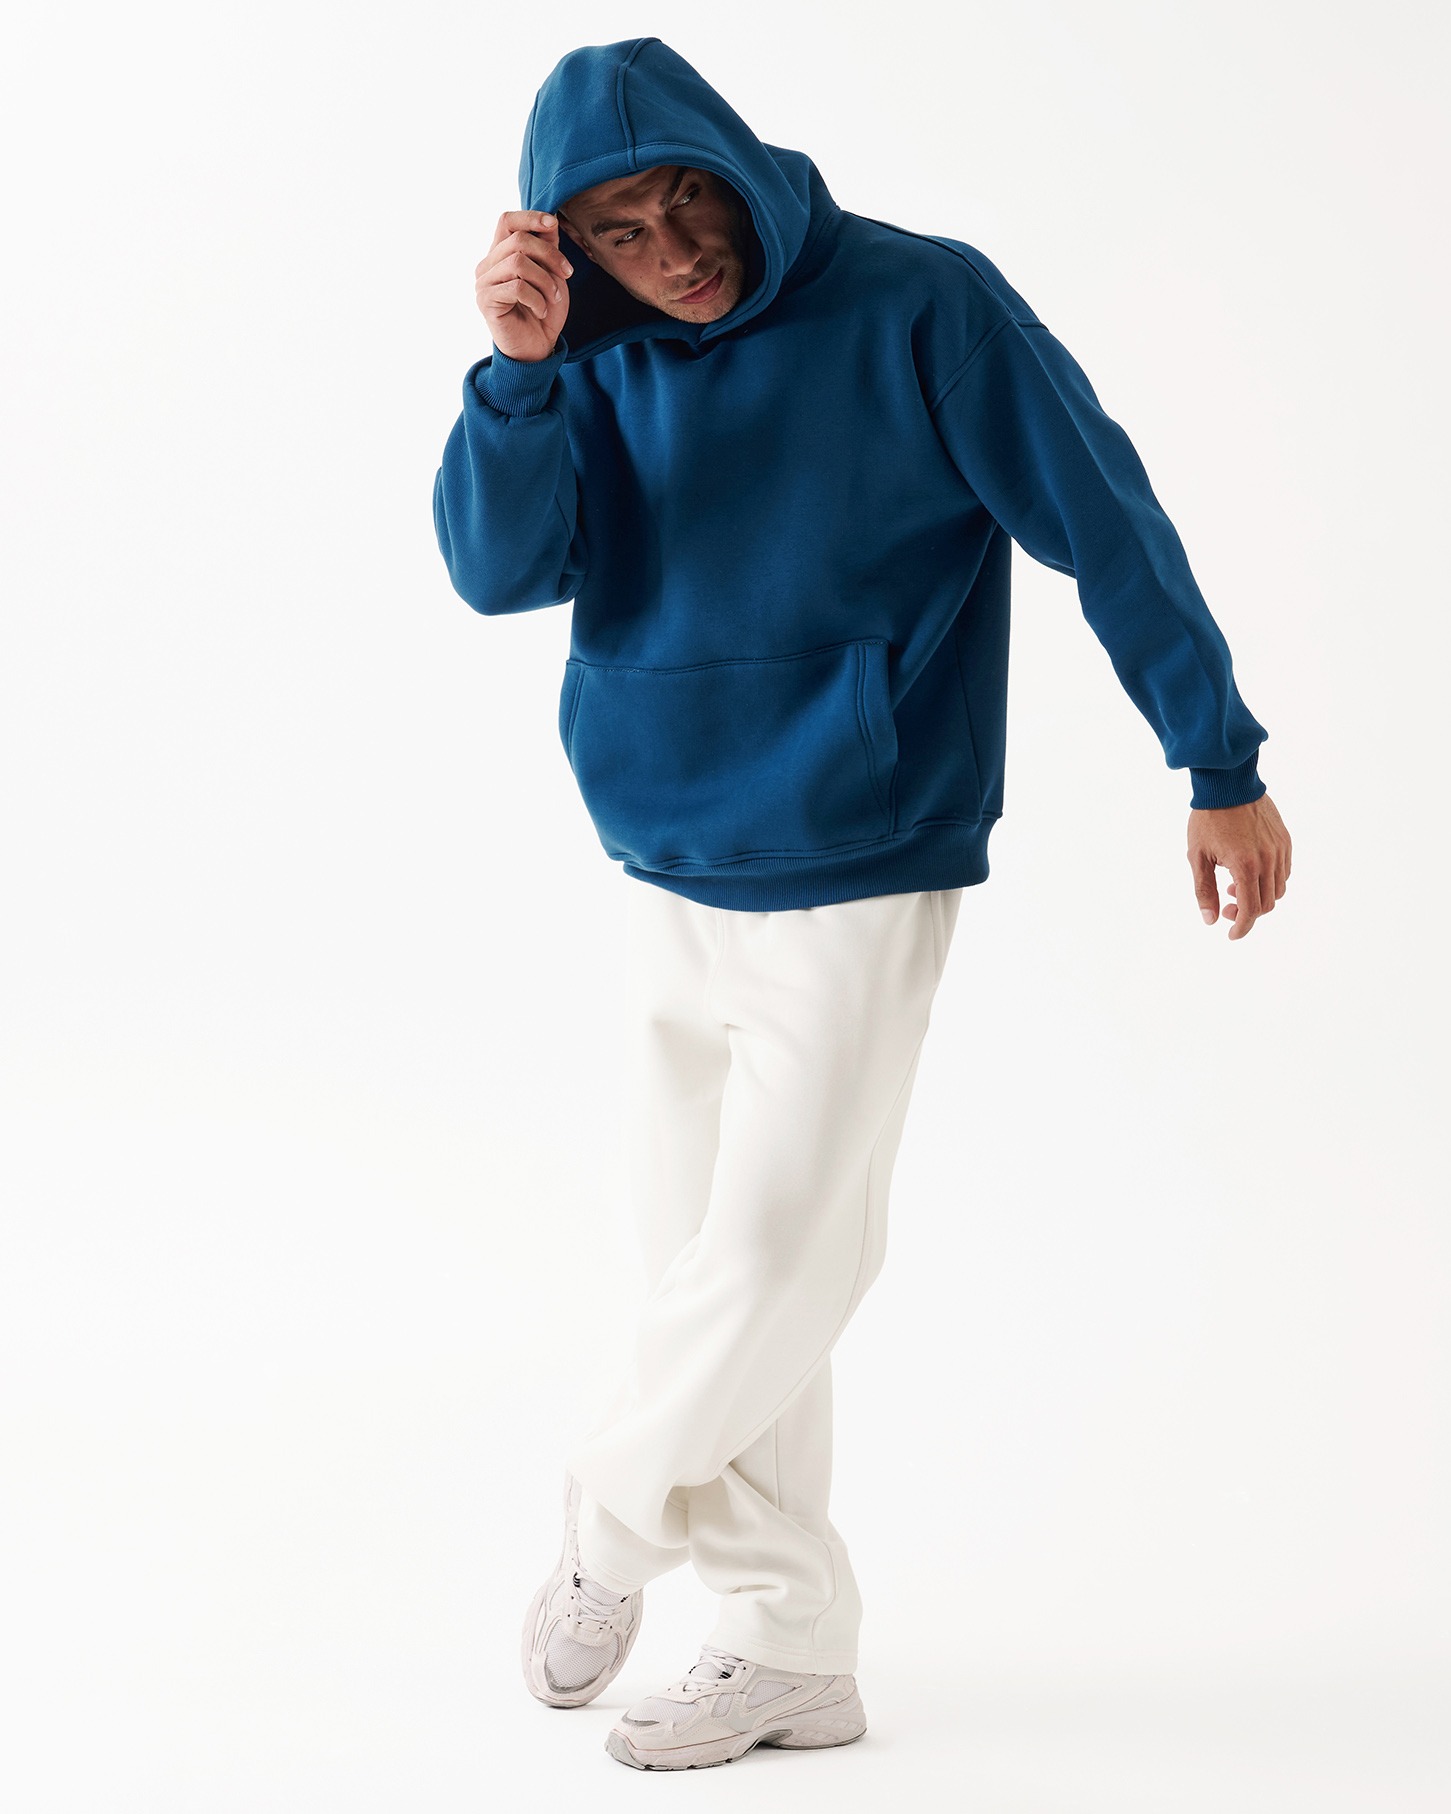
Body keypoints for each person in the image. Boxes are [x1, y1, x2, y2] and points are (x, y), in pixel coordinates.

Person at [432, 36, 1293, 1773]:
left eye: (689, 202)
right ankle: (787, 1648)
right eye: (621, 233)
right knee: (708, 1272)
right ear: (567, 248)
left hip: (858, 848)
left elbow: (1101, 515)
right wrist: (514, 377)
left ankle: (607, 1515)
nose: (676, 253)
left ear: (736, 167)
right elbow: (498, 573)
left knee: (781, 1254)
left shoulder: (922, 305)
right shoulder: (583, 353)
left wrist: (1215, 754)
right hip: (663, 855)